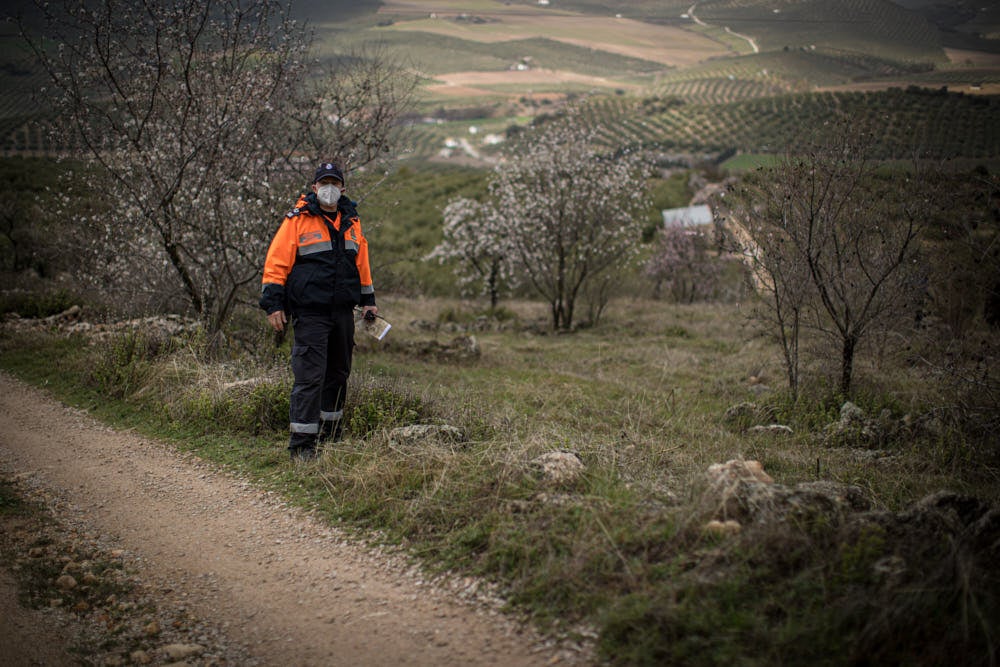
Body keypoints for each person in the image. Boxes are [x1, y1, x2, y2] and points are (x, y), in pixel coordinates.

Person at [259, 162, 378, 461]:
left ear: (342, 189)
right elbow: (277, 262)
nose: (329, 188)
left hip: (342, 312)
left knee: (338, 373)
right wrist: (273, 304)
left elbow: (361, 263)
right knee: (309, 378)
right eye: (323, 183)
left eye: (334, 183)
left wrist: (369, 301)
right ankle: (302, 446)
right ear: (314, 188)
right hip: (310, 312)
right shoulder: (297, 220)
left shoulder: (352, 221)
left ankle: (332, 437)